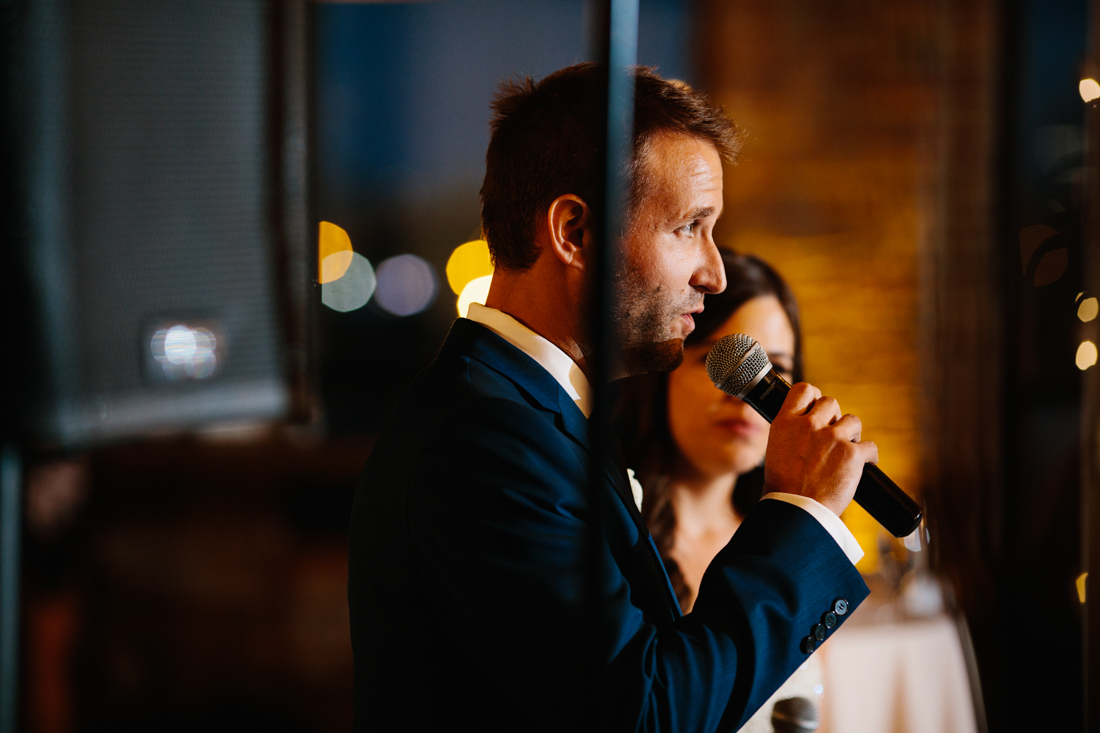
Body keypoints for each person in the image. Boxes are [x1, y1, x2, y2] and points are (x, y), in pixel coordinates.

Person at [348, 63, 876, 732]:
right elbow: (643, 712)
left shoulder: (541, 412)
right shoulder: (479, 439)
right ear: (574, 231)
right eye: (689, 226)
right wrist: (801, 514)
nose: (713, 272)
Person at [617, 251, 826, 731]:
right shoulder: (617, 542)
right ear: (663, 370)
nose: (747, 393)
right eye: (723, 362)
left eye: (774, 369)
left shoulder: (786, 550)